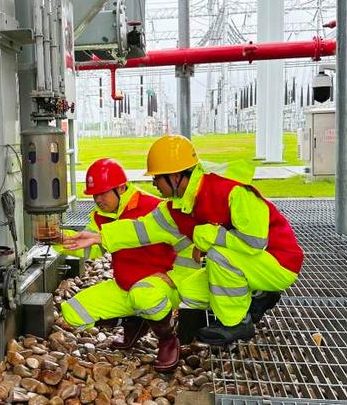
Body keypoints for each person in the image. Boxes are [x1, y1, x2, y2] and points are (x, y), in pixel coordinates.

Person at [63, 136, 304, 346]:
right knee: (186, 291)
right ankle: (257, 296)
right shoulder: (179, 206)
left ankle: (237, 323)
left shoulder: (232, 192)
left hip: (278, 261)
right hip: (248, 264)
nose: (154, 184)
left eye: (158, 178)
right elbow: (143, 229)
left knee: (220, 256)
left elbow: (254, 243)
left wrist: (208, 237)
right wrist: (99, 236)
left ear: (176, 176)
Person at [55, 158, 183, 371]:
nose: (97, 199)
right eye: (94, 194)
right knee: (73, 311)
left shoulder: (154, 206)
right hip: (124, 286)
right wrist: (59, 240)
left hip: (160, 287)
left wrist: (176, 276)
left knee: (143, 296)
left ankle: (167, 339)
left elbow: (188, 243)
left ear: (122, 188)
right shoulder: (101, 216)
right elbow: (91, 248)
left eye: (103, 193)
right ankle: (134, 322)